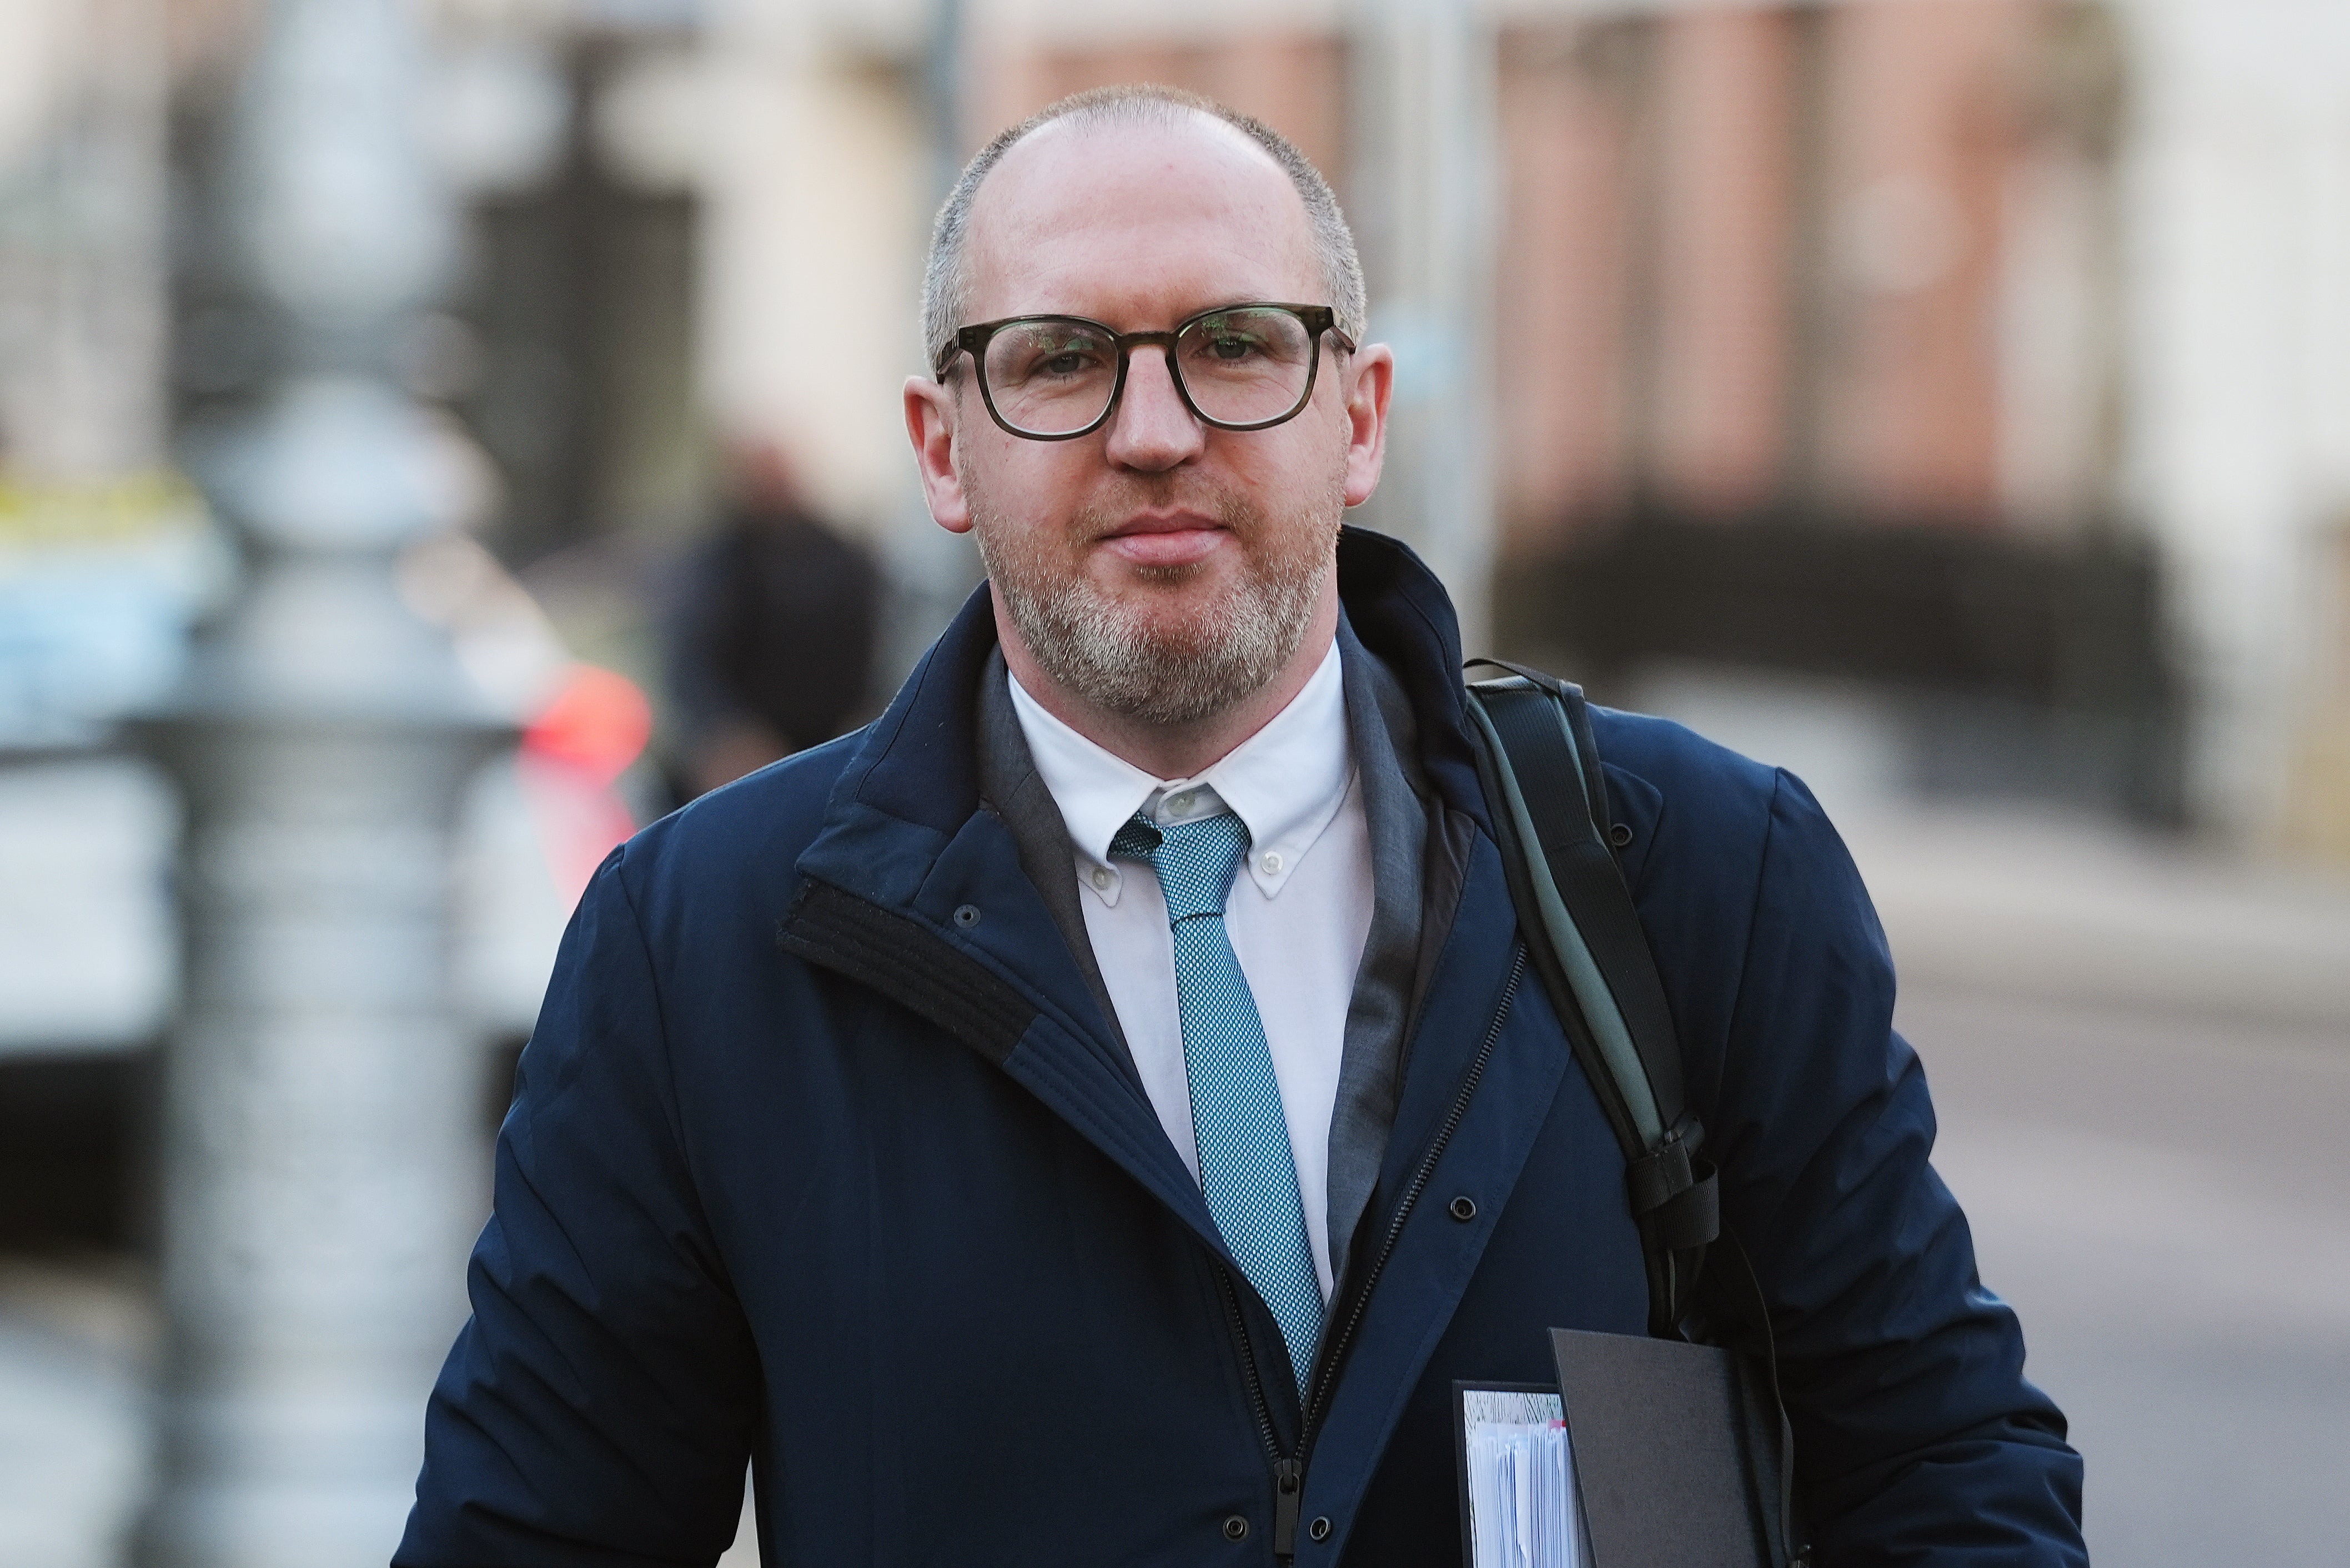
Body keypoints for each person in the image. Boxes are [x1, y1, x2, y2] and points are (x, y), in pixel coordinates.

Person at [398, 87, 2084, 1566]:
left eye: (1235, 344)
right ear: (941, 447)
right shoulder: (698, 943)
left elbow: (1937, 1460)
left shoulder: (1697, 867)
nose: (1154, 432)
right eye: (1059, 358)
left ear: (1358, 414)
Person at [662, 438, 881, 802]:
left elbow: (862, 662)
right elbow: (692, 662)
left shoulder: (840, 559)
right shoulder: (718, 563)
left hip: (826, 747)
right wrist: (725, 736)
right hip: (739, 749)